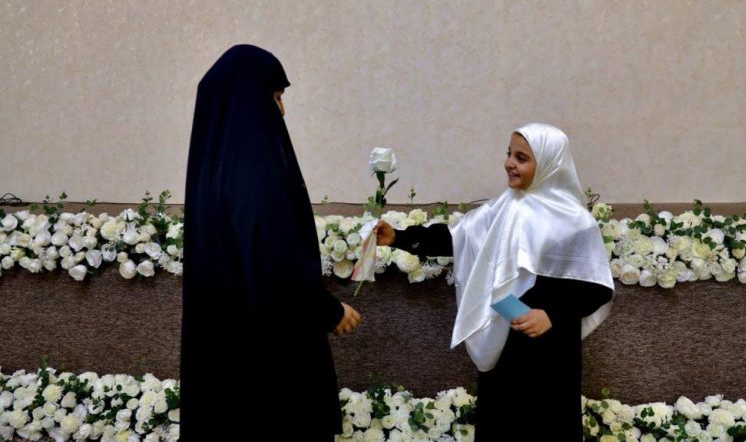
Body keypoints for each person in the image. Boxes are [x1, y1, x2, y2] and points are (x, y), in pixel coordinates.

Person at [375, 123, 614, 440]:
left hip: (551, 348)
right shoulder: (504, 207)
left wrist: (552, 315)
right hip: (505, 338)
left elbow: (595, 287)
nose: (509, 164)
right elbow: (458, 238)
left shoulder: (576, 222)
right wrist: (399, 238)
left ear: (549, 163)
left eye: (522, 157)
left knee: (546, 424)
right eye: (509, 154)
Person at [182, 45, 361, 441]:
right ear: (250, 100)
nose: (282, 111)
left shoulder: (214, 170)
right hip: (269, 353)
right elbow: (273, 258)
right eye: (276, 96)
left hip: (229, 347)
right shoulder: (256, 172)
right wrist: (328, 309)